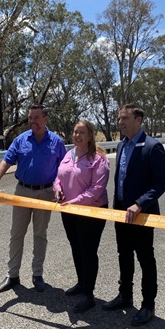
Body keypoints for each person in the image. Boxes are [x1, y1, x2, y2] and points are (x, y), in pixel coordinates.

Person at [0, 105, 66, 293]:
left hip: (45, 193)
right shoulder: (21, 140)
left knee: (40, 235)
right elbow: (6, 161)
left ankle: (37, 275)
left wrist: (60, 188)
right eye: (30, 118)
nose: (33, 122)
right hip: (22, 191)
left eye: (36, 118)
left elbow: (64, 169)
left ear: (46, 119)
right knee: (17, 234)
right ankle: (12, 275)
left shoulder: (56, 142)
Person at [102, 104, 165, 326]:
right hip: (121, 212)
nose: (120, 122)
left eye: (125, 118)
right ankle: (125, 296)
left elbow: (161, 183)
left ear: (138, 120)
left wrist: (139, 204)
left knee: (145, 259)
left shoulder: (152, 147)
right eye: (119, 118)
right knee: (124, 255)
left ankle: (148, 305)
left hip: (142, 215)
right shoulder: (122, 145)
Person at [54, 120, 110, 313]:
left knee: (88, 251)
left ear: (90, 136)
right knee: (76, 247)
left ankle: (89, 295)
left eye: (82, 133)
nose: (77, 136)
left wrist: (75, 202)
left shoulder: (98, 158)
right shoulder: (69, 154)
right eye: (75, 132)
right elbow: (58, 177)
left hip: (91, 212)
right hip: (69, 210)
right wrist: (58, 190)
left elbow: (97, 189)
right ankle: (81, 283)